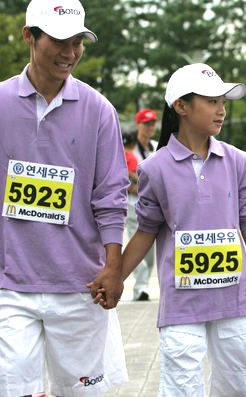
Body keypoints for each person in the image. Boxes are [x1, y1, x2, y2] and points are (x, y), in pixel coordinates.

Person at [0, 0, 129, 396]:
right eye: (59, 41)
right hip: (9, 287)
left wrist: (113, 266)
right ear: (29, 37)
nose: (70, 53)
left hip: (80, 285)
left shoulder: (98, 110)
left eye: (77, 42)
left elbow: (110, 195)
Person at [117, 63, 246, 396]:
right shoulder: (153, 169)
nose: (221, 109)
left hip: (235, 300)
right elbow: (145, 231)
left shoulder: (238, 161)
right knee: (182, 389)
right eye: (212, 101)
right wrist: (116, 278)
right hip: (181, 306)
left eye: (223, 102)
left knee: (239, 386)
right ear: (181, 106)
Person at [125, 109, 158, 300]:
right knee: (136, 243)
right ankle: (141, 288)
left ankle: (143, 286)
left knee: (151, 250)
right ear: (138, 125)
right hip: (133, 204)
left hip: (153, 204)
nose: (150, 127)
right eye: (146, 123)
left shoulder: (156, 147)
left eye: (152, 123)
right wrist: (132, 187)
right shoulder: (129, 148)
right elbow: (120, 173)